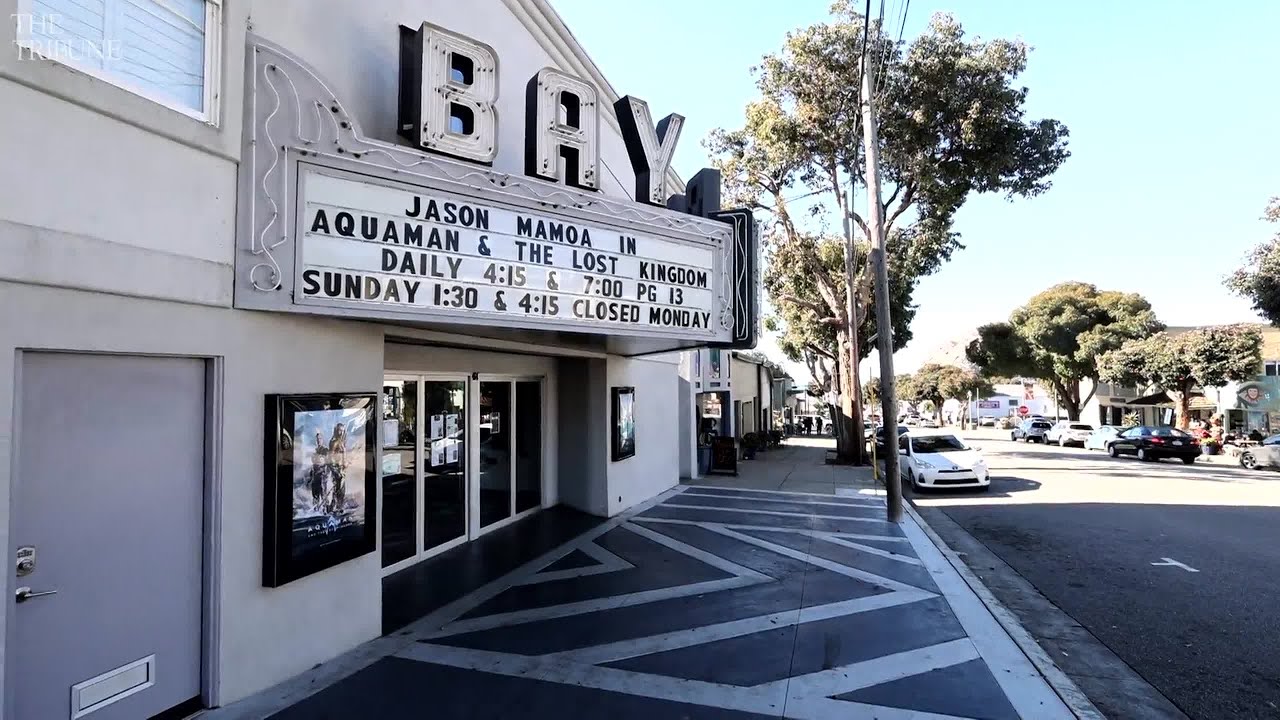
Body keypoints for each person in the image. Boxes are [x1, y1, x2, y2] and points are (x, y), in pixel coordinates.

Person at [309, 432, 328, 512]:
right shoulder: (315, 451)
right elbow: (314, 462)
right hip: (315, 475)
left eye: (320, 439)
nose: (318, 440)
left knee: (323, 492)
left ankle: (325, 509)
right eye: (317, 439)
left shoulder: (325, 450)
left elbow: (325, 461)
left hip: (322, 474)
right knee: (315, 493)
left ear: (322, 440)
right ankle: (316, 510)